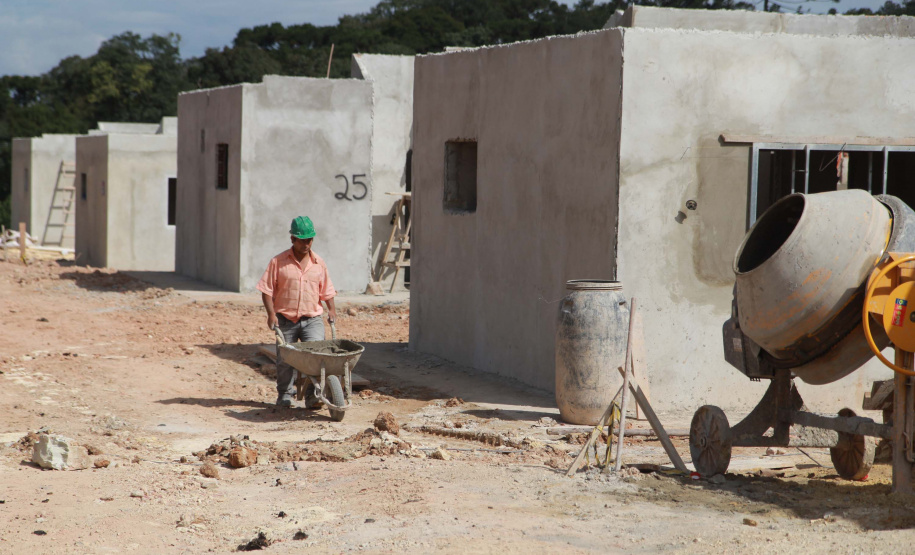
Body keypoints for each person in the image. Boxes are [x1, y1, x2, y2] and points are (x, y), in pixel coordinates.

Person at [256, 216, 337, 407]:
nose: (306, 244)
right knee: (285, 360)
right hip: (285, 319)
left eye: (309, 240)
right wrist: (271, 314)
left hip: (312, 319)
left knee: (317, 358)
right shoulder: (278, 262)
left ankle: (313, 396)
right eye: (302, 240)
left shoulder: (319, 263)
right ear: (292, 239)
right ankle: (284, 394)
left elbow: (327, 290)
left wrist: (332, 309)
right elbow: (266, 290)